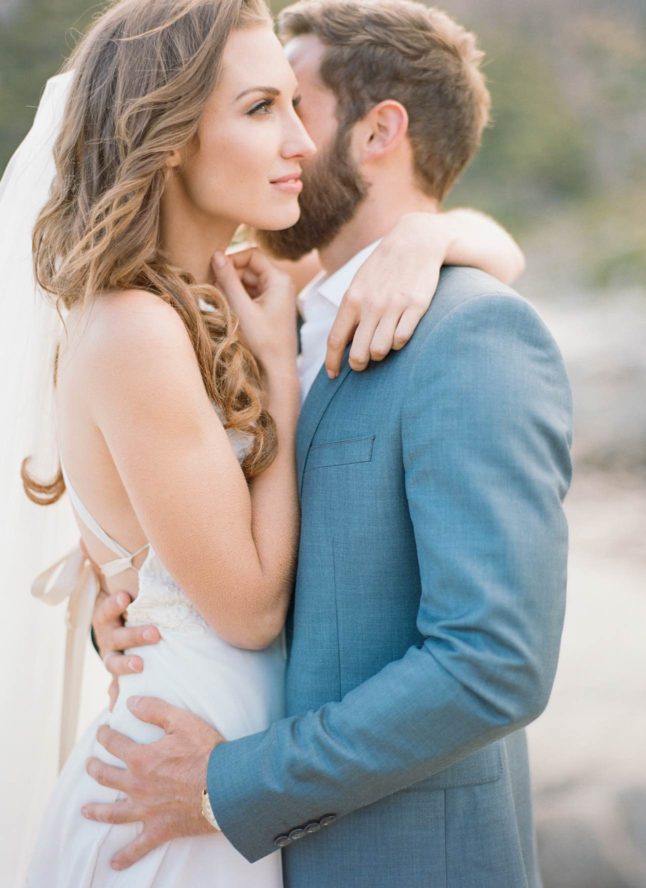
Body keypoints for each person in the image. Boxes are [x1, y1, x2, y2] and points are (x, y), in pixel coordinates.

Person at [0, 0, 524, 885]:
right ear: (166, 136)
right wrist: (279, 374)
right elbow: (246, 611)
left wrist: (427, 236)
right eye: (259, 109)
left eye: (294, 104)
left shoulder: (224, 293)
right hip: (168, 791)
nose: (299, 143)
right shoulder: (134, 328)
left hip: (236, 783)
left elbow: (497, 254)